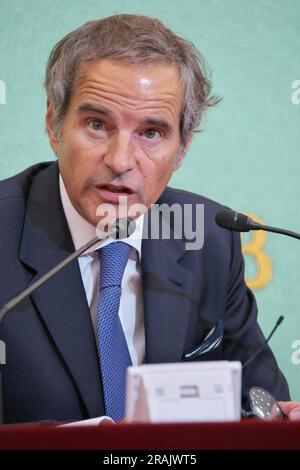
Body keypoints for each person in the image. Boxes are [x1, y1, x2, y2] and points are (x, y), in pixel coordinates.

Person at [0, 14, 299, 424]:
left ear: (182, 149)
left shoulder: (210, 238)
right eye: (96, 124)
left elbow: (258, 397)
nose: (121, 161)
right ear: (54, 125)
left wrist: (274, 418)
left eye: (152, 133)